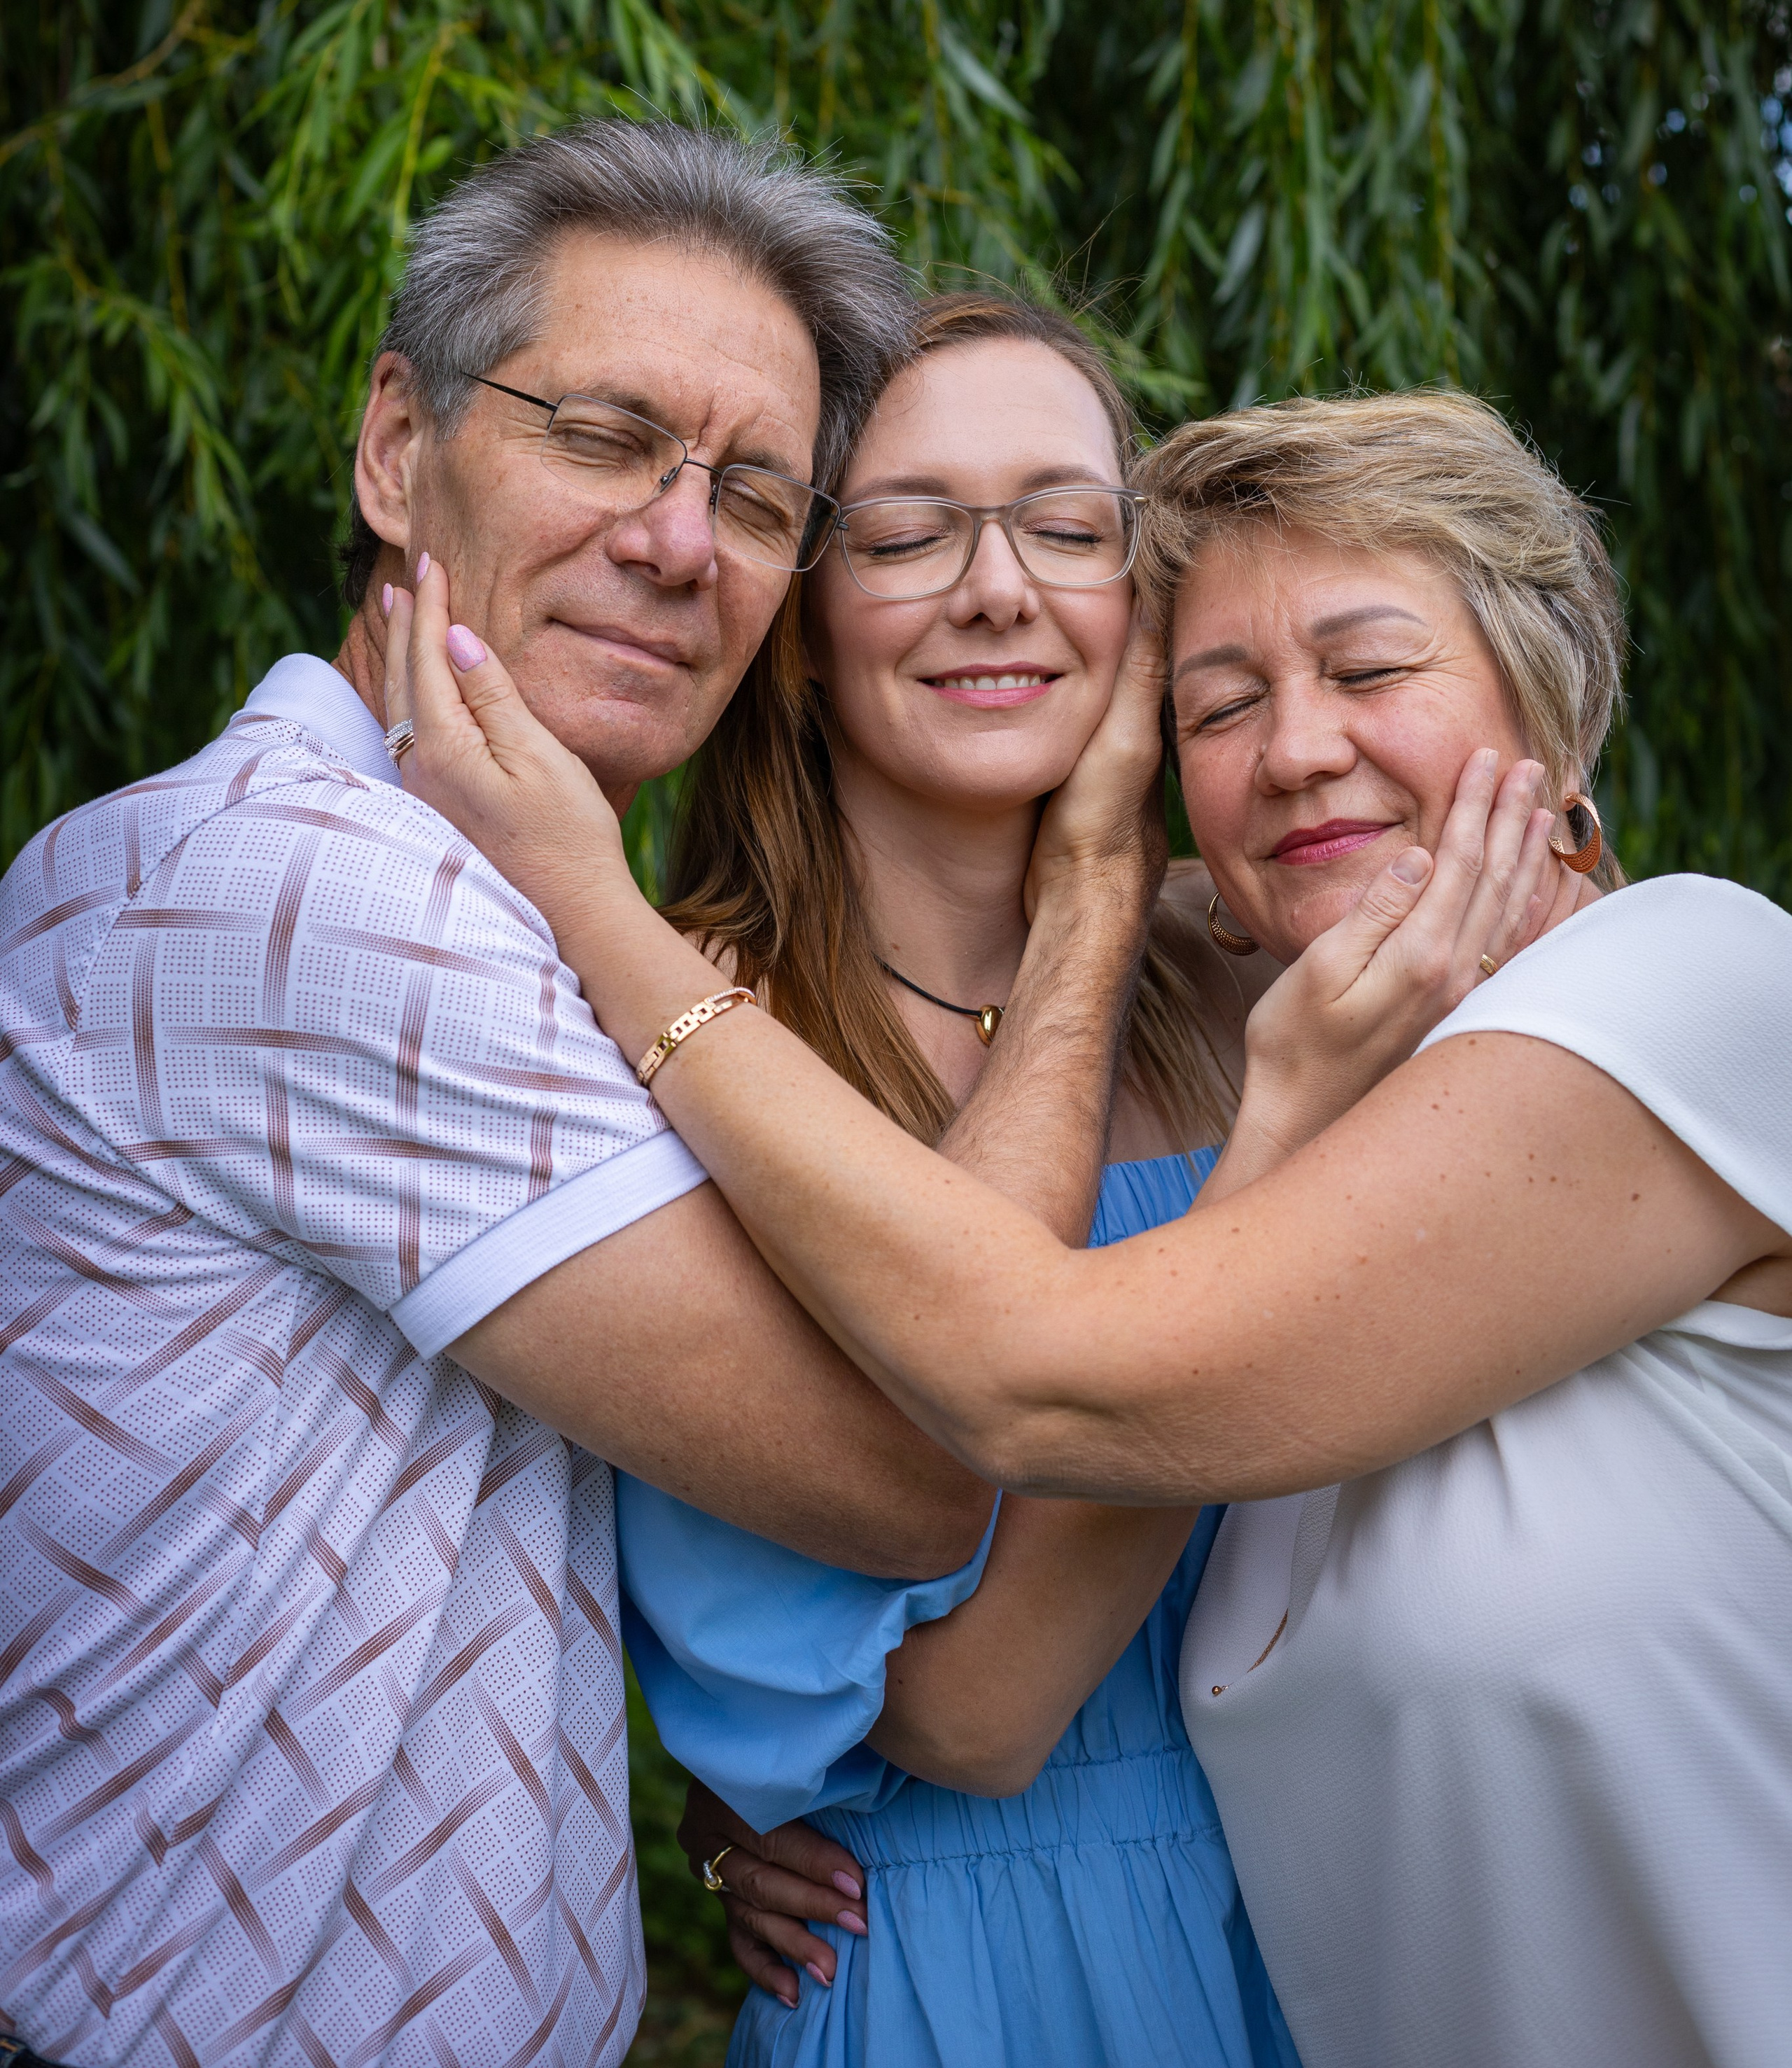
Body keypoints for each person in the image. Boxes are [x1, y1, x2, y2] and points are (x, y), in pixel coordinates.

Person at [380, 384, 1792, 2068]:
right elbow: (954, 1689)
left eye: (1367, 669)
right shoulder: (1320, 1014)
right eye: (1219, 702)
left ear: (1551, 707)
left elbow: (1047, 1376)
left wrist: (584, 895)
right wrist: (739, 1798)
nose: (1295, 749)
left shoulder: (1670, 986)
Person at [0, 123, 1159, 2068]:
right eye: (607, 437)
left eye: (756, 494)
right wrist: (1098, 889)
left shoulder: (502, 923)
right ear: (397, 448)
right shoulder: (309, 899)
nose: (679, 543)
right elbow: (912, 1471)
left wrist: (722, 1793)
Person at [615, 293, 1293, 2065]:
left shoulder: (1262, 966)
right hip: (969, 1955)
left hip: (1331, 1898)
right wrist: (1091, 896)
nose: (996, 590)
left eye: (1066, 528)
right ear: (798, 622)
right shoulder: (688, 1033)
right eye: (907, 535)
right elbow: (954, 1715)